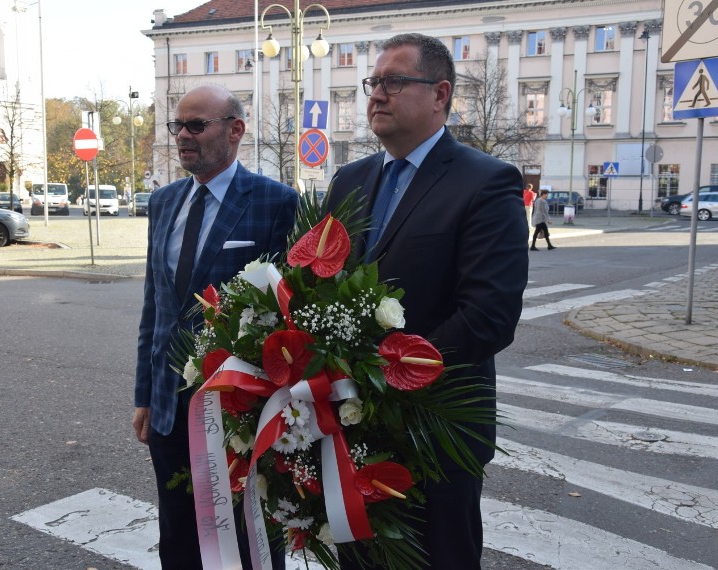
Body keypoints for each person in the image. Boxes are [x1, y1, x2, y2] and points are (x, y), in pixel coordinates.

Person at [326, 33, 528, 569]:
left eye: (394, 82)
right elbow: (318, 286)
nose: (376, 95)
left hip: (435, 434)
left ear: (440, 94)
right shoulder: (349, 180)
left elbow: (489, 316)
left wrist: (385, 377)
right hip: (348, 430)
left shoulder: (486, 182)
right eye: (373, 83)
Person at [133, 84, 298, 569]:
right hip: (168, 409)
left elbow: (289, 318)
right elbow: (155, 307)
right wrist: (145, 394)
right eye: (177, 125)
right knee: (179, 538)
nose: (183, 135)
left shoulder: (276, 202)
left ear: (235, 129)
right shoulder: (163, 202)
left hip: (239, 413)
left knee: (249, 545)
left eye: (196, 125)